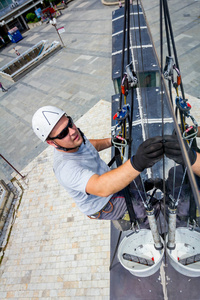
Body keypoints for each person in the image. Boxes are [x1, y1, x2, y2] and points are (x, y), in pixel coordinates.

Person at [32, 106, 164, 225]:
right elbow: (102, 187)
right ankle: (150, 218)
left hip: (105, 179)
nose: (72, 131)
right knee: (147, 213)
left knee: (131, 175)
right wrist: (139, 161)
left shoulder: (74, 141)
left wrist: (111, 141)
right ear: (52, 143)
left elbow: (90, 146)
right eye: (63, 133)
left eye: (70, 123)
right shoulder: (66, 168)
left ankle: (140, 191)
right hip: (104, 203)